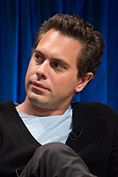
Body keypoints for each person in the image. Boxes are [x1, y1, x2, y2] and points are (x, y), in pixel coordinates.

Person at [0, 13, 118, 177]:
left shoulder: (102, 122)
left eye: (56, 65)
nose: (40, 71)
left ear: (82, 81)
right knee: (53, 155)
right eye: (38, 58)